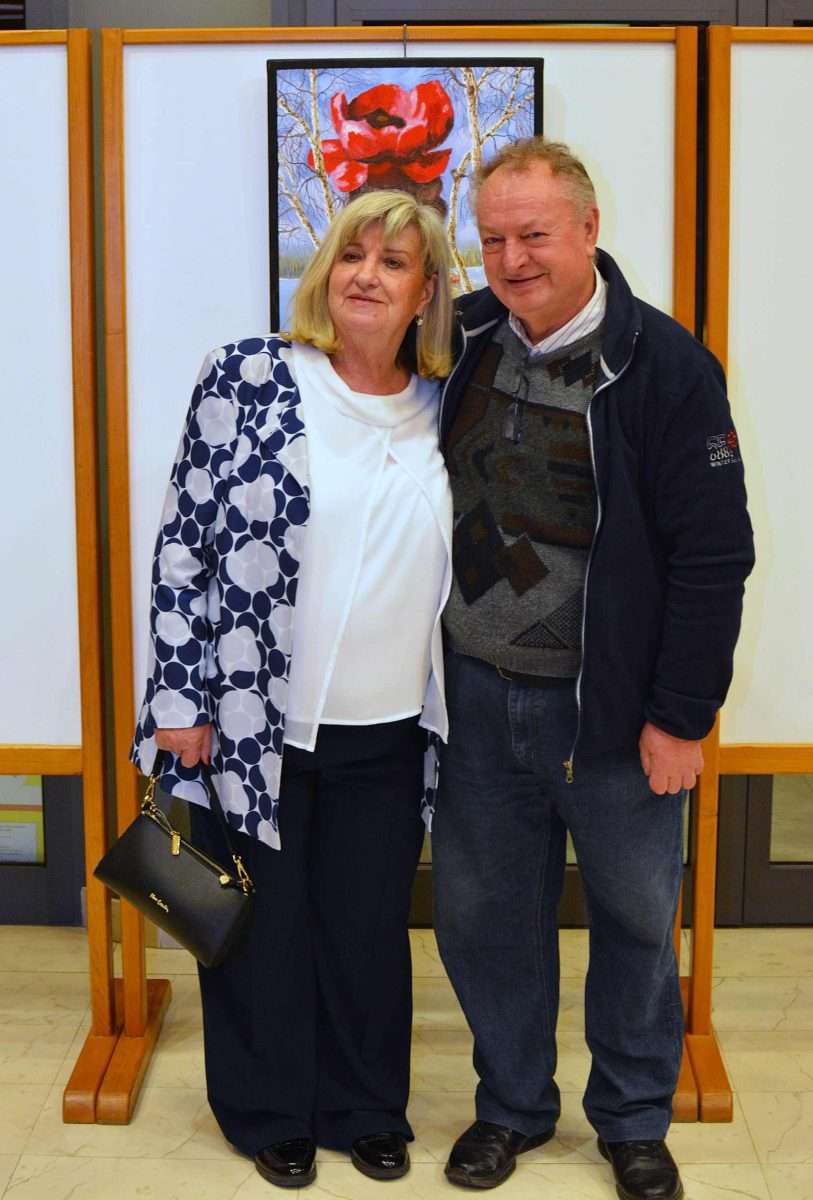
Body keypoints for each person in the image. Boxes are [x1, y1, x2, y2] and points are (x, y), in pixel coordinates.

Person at [431, 138, 754, 1200]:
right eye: (492, 240)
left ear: (588, 229)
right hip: (477, 698)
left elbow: (713, 556)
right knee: (484, 919)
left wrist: (682, 715)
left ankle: (632, 1121)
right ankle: (511, 1106)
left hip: (611, 713)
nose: (512, 260)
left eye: (533, 235)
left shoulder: (666, 366)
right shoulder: (461, 341)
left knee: (632, 920)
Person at [131, 190, 454, 1189]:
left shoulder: (450, 402)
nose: (365, 275)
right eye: (351, 254)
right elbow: (182, 548)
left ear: (425, 293)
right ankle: (267, 1110)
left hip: (390, 726)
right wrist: (178, 701)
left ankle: (366, 1108)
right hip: (246, 720)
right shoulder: (249, 375)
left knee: (366, 931)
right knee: (256, 927)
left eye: (392, 262)